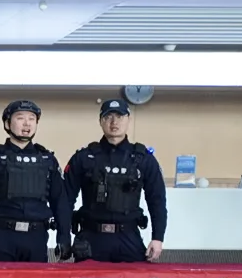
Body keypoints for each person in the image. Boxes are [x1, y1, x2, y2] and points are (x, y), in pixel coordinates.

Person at [64, 98, 168, 263]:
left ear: (128, 120)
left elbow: (157, 200)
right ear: (100, 121)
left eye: (119, 117)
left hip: (128, 238)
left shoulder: (143, 159)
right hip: (91, 238)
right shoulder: (84, 158)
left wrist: (158, 238)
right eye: (108, 117)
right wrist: (63, 237)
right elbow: (66, 200)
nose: (114, 122)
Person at [0, 100, 70, 263]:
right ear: (7, 124)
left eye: (32, 119)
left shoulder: (47, 160)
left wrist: (64, 238)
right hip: (1, 237)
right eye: (20, 118)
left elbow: (60, 202)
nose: (27, 123)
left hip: (36, 237)